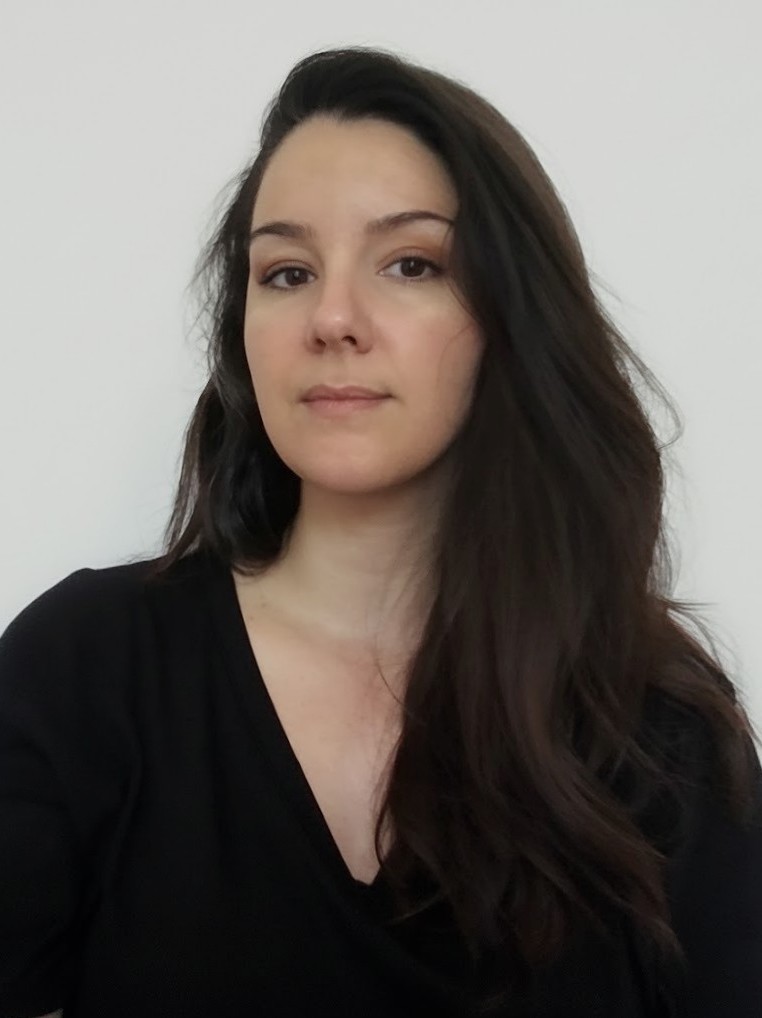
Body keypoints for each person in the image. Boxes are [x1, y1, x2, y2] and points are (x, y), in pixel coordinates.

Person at [1, 45, 760, 1018]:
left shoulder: (653, 722)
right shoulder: (88, 666)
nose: (333, 318)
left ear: (508, 319)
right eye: (286, 272)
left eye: (411, 264)